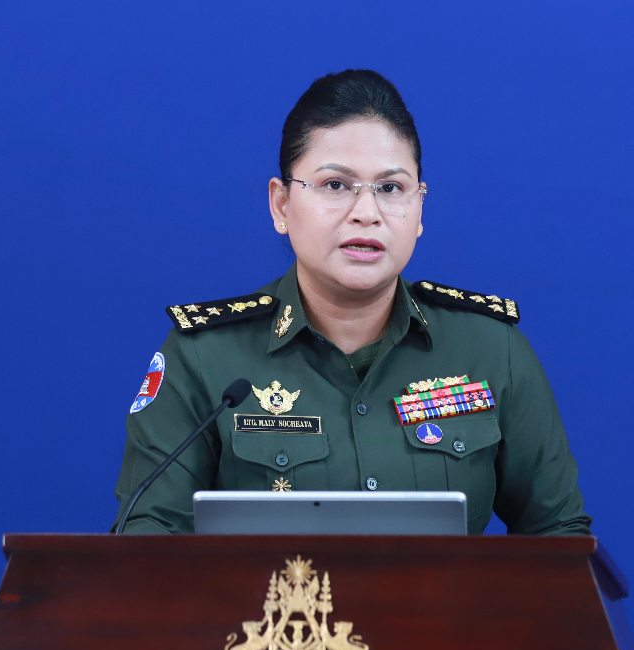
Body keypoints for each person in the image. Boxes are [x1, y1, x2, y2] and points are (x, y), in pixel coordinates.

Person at [113, 69, 590, 536]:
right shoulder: (204, 357)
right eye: (336, 185)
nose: (367, 213)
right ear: (281, 205)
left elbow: (560, 537)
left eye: (391, 188)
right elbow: (147, 540)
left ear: (420, 208)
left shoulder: (491, 350)